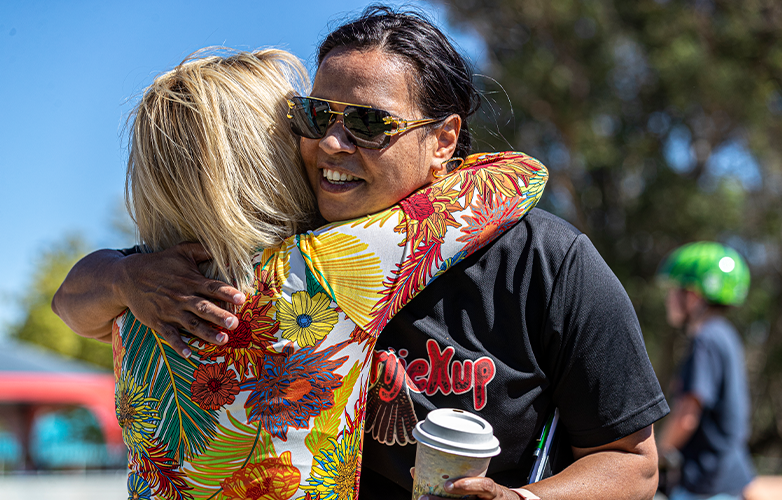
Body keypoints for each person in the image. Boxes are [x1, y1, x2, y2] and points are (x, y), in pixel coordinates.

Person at [53, 6, 668, 500]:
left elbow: (632, 464)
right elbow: (508, 180)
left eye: (370, 124)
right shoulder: (277, 263)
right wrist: (125, 274)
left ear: (443, 138)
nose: (332, 142)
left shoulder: (544, 261)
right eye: (315, 115)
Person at [657, 242, 755, 500]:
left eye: (673, 290)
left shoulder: (706, 340)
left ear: (693, 296)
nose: (668, 299)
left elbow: (686, 416)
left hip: (705, 484)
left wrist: (655, 455)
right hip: (729, 474)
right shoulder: (726, 335)